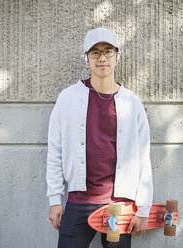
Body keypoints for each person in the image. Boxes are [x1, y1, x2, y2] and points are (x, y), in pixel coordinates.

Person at [46, 27, 153, 248]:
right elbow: (55, 151)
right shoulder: (68, 99)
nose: (102, 58)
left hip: (120, 206)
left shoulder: (132, 103)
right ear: (86, 58)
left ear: (117, 56)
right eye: (95, 52)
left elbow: (143, 158)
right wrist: (55, 199)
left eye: (108, 51)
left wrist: (144, 208)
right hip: (78, 201)